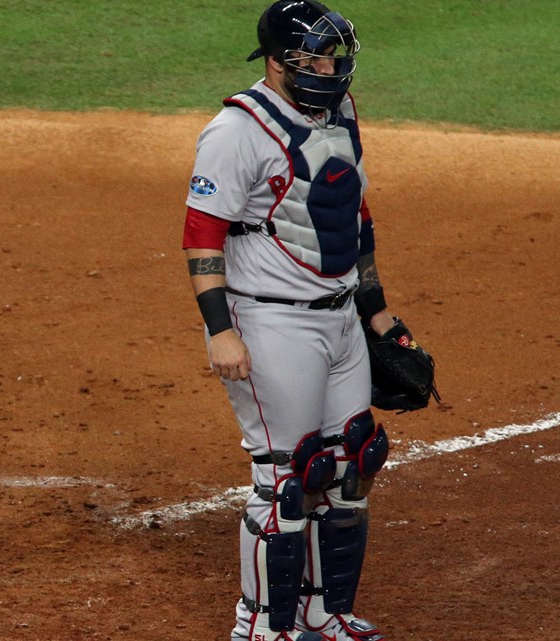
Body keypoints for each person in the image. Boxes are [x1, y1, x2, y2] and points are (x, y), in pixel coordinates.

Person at [181, 2, 401, 640]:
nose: (331, 71)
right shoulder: (237, 129)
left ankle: (322, 615)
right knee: (290, 475)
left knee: (353, 462)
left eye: (336, 58)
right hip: (268, 322)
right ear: (279, 63)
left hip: (338, 320)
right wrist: (221, 330)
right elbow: (201, 234)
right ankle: (260, 627)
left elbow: (352, 215)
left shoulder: (343, 113)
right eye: (315, 60)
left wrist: (376, 311)